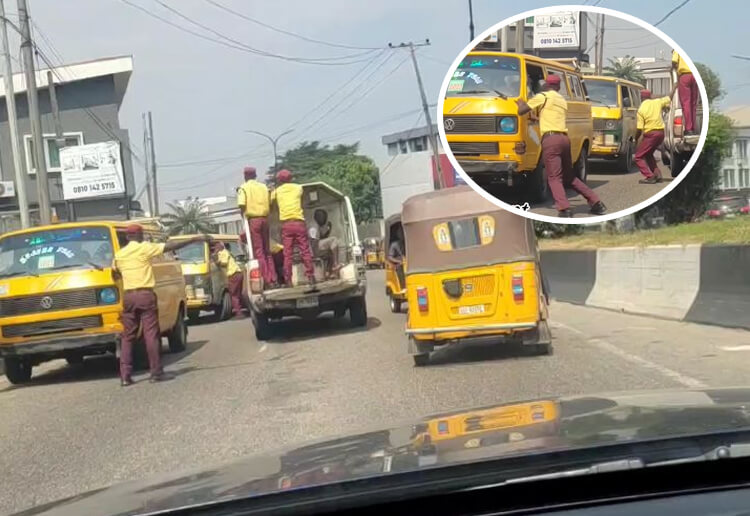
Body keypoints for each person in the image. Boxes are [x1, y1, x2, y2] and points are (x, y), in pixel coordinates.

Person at [112, 224, 209, 387]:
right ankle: (156, 372)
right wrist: (193, 239)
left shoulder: (120, 254)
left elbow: (115, 273)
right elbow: (169, 246)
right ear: (141, 236)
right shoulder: (144, 248)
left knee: (127, 337)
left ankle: (125, 376)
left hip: (128, 296)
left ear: (127, 237)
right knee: (151, 334)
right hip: (145, 294)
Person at [515, 74, 607, 218]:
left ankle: (564, 209)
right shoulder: (561, 100)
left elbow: (521, 111)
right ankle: (596, 202)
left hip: (551, 140)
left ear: (546, 85)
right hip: (564, 139)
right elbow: (552, 118)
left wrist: (520, 103)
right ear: (558, 87)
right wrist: (537, 118)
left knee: (554, 177)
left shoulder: (543, 96)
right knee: (569, 177)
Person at [270, 169, 315, 286]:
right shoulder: (298, 188)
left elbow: (270, 200)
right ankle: (311, 276)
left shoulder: (277, 191)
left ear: (279, 180)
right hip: (299, 223)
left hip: (286, 225)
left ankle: (288, 280)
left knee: (287, 254)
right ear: (290, 178)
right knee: (305, 251)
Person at [237, 166, 277, 287]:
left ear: (245, 176)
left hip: (254, 221)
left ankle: (267, 280)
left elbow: (241, 205)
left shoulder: (243, 188)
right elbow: (270, 202)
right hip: (265, 219)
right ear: (255, 175)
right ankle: (274, 278)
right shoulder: (264, 187)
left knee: (259, 252)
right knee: (267, 251)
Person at [635, 84, 678, 184]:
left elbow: (639, 128)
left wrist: (636, 139)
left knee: (638, 157)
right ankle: (657, 174)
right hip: (660, 133)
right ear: (650, 96)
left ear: (641, 98)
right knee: (649, 154)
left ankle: (649, 176)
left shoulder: (641, 109)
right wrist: (674, 87)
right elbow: (669, 97)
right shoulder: (657, 102)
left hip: (650, 134)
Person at [211, 241, 244, 319]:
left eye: (216, 247)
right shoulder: (226, 252)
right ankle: (239, 311)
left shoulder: (223, 253)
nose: (215, 249)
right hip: (238, 274)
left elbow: (224, 263)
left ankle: (239, 313)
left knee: (233, 295)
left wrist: (216, 261)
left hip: (233, 275)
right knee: (237, 294)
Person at [672, 50, 698, 135]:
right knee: (693, 104)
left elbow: (674, 61)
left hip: (685, 75)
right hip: (695, 76)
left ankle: (688, 128)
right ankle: (694, 128)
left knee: (686, 103)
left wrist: (674, 69)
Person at [308, 209, 339, 278]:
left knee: (331, 253)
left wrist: (328, 231)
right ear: (316, 217)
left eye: (324, 217)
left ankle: (328, 273)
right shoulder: (313, 226)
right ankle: (336, 265)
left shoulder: (318, 225)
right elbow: (313, 243)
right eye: (321, 217)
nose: (323, 219)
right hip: (313, 250)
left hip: (317, 248)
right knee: (334, 239)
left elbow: (321, 238)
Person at [387, 225, 406, 290]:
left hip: (408, 262)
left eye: (403, 233)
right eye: (400, 233)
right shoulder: (394, 244)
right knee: (400, 268)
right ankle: (403, 287)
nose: (402, 235)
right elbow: (390, 257)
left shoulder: (407, 243)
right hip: (399, 264)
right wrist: (399, 261)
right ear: (398, 234)